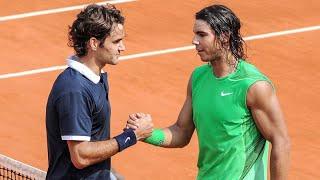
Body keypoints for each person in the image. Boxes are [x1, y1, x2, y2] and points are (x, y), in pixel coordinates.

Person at [126, 4, 291, 180]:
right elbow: (181, 132)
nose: (194, 40)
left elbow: (281, 142)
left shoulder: (252, 86)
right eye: (195, 33)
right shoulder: (198, 77)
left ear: (225, 36)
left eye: (202, 35)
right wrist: (146, 134)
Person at [45, 4, 153, 179]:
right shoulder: (74, 90)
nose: (122, 47)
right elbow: (80, 155)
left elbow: (95, 139)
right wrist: (132, 136)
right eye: (116, 41)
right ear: (94, 43)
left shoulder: (97, 78)